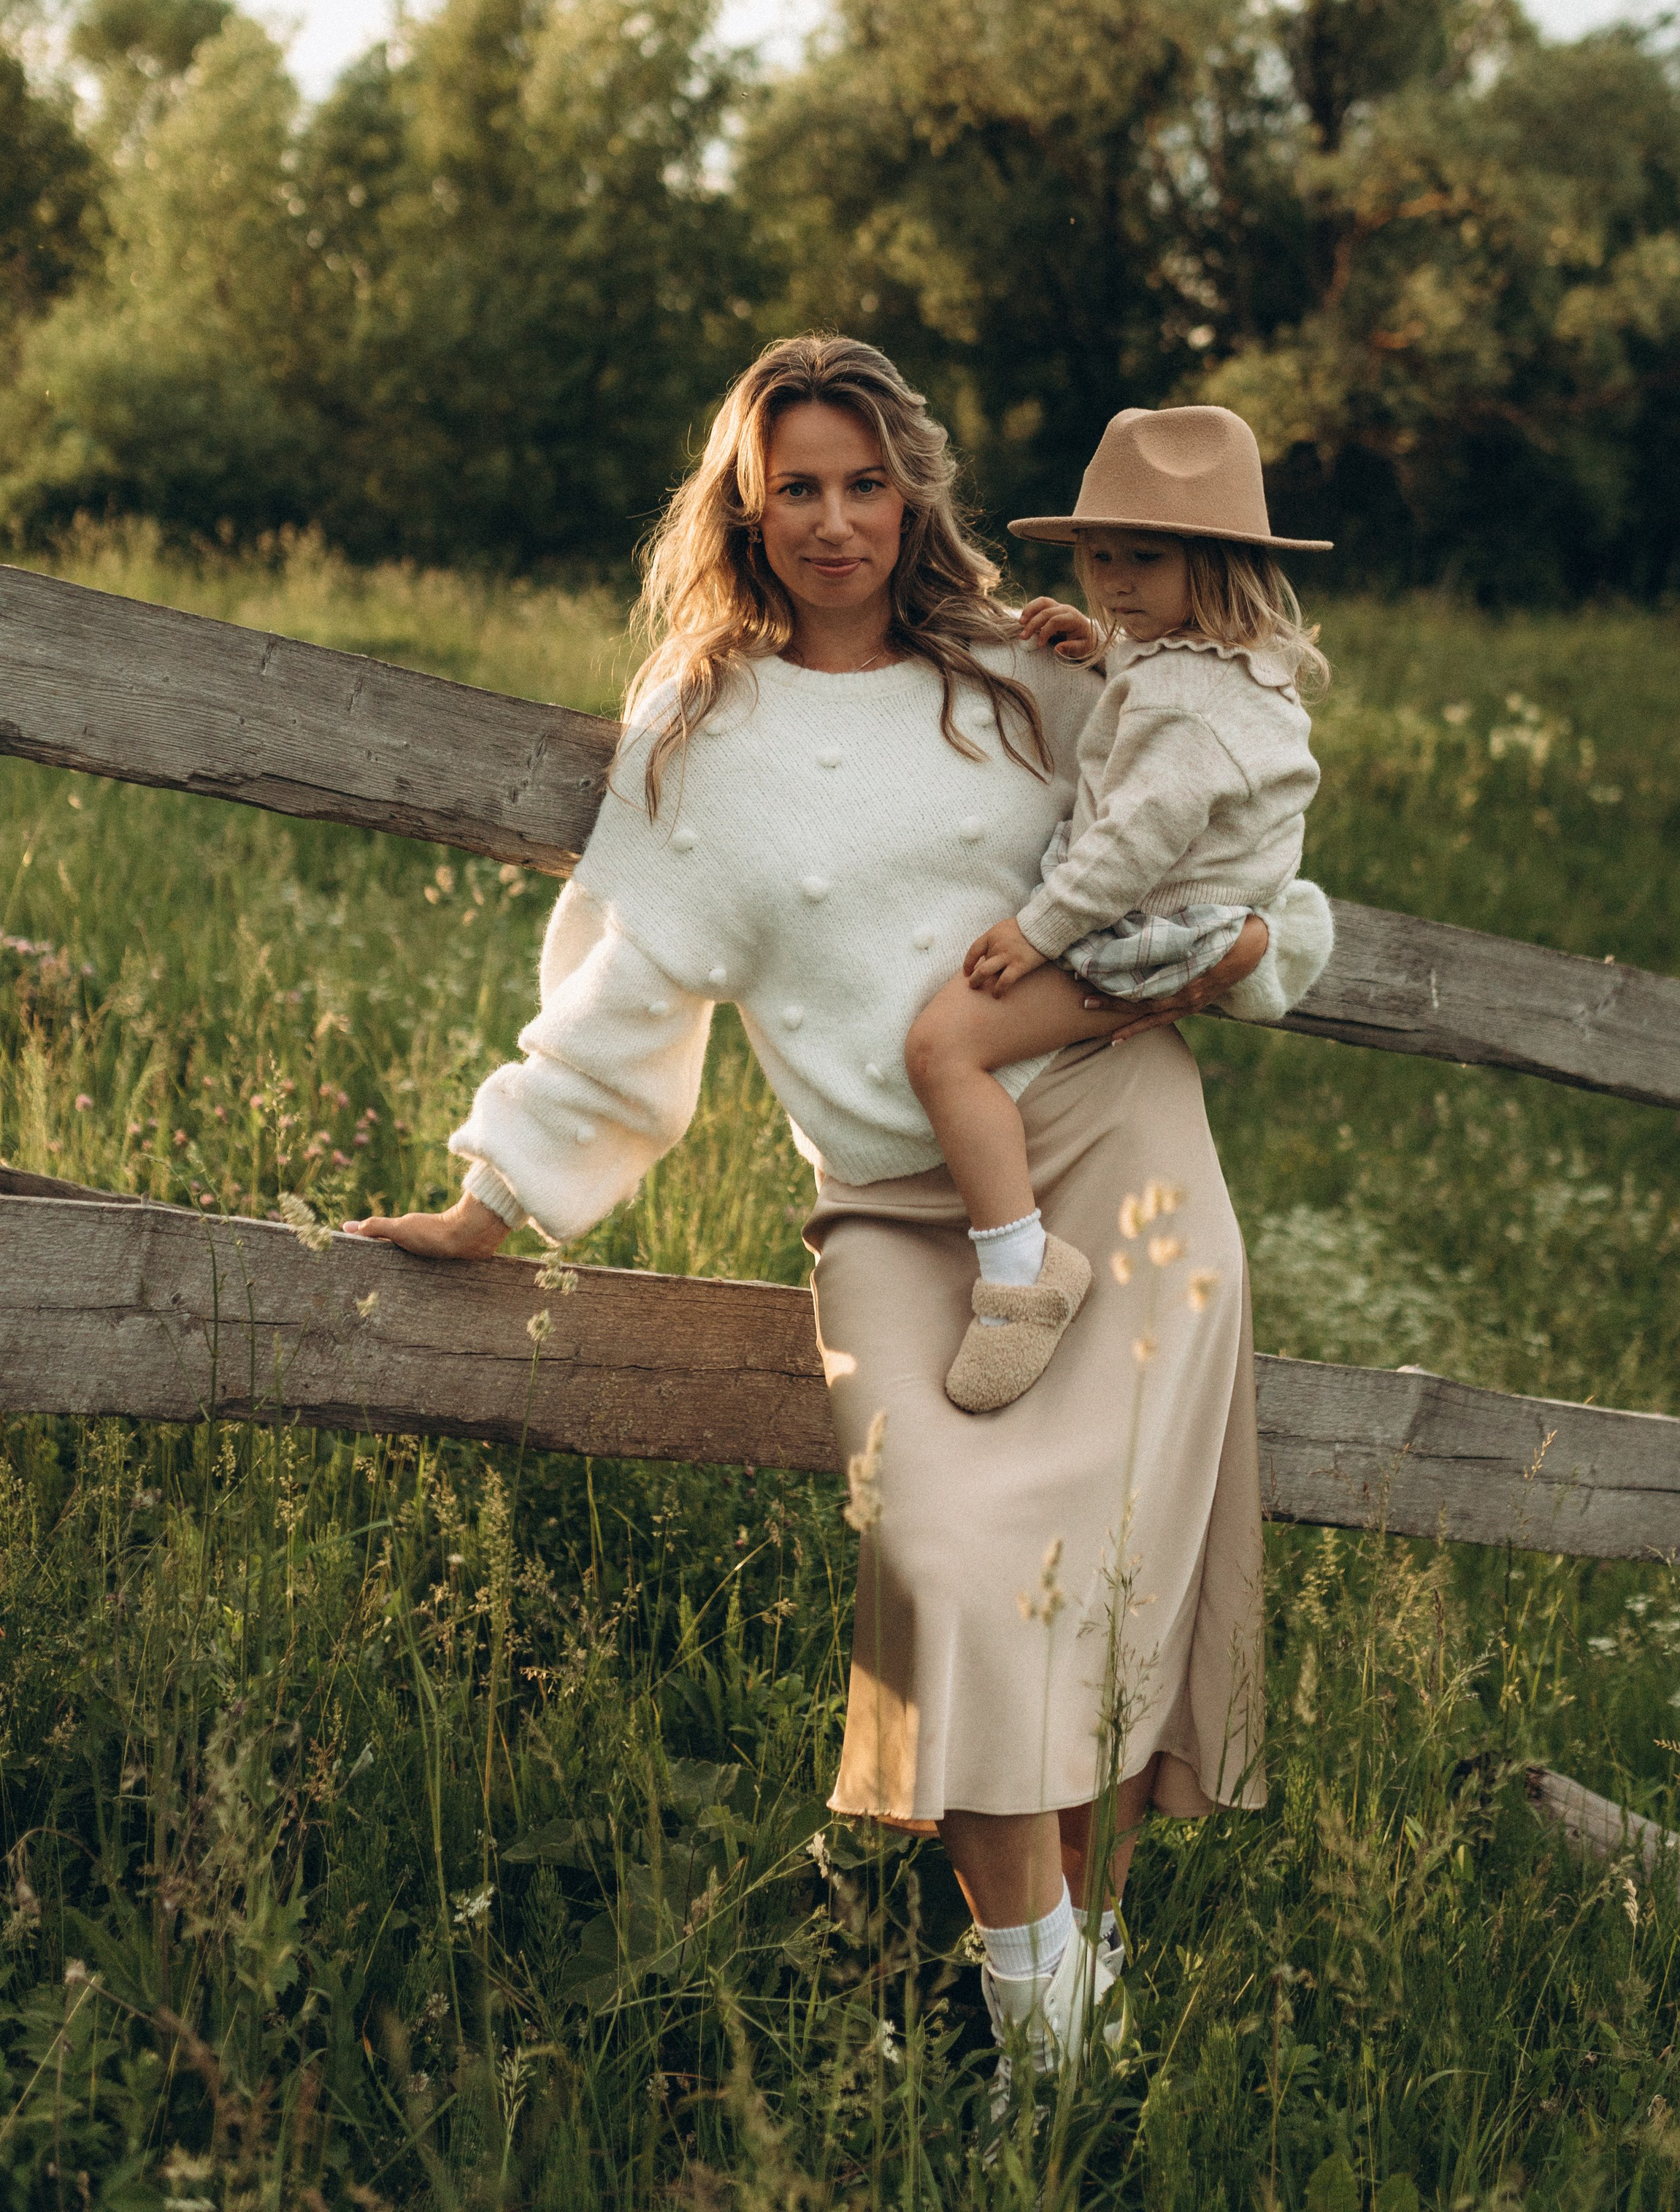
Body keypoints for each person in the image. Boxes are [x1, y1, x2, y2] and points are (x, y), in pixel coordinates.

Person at [345, 337, 1271, 2109]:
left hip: (1113, 1149)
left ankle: (1062, 2028)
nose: (834, 519)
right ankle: (1055, 2008)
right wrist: (492, 1199)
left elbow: (1215, 807)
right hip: (896, 1220)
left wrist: (1247, 936)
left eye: (863, 481)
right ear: (745, 511)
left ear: (908, 492)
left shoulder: (1024, 680)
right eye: (797, 488)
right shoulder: (700, 741)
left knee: (1112, 1591)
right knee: (948, 1559)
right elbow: (620, 1003)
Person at [903, 403, 1336, 1415]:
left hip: (1146, 922)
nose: (1115, 583)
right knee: (959, 1046)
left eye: (1141, 559)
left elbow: (1135, 841)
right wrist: (1097, 650)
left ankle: (1019, 1275)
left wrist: (1038, 931)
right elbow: (1157, 711)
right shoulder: (1206, 660)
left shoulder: (1185, 705)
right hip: (1187, 907)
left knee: (943, 1048)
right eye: (1100, 557)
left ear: (1217, 564)